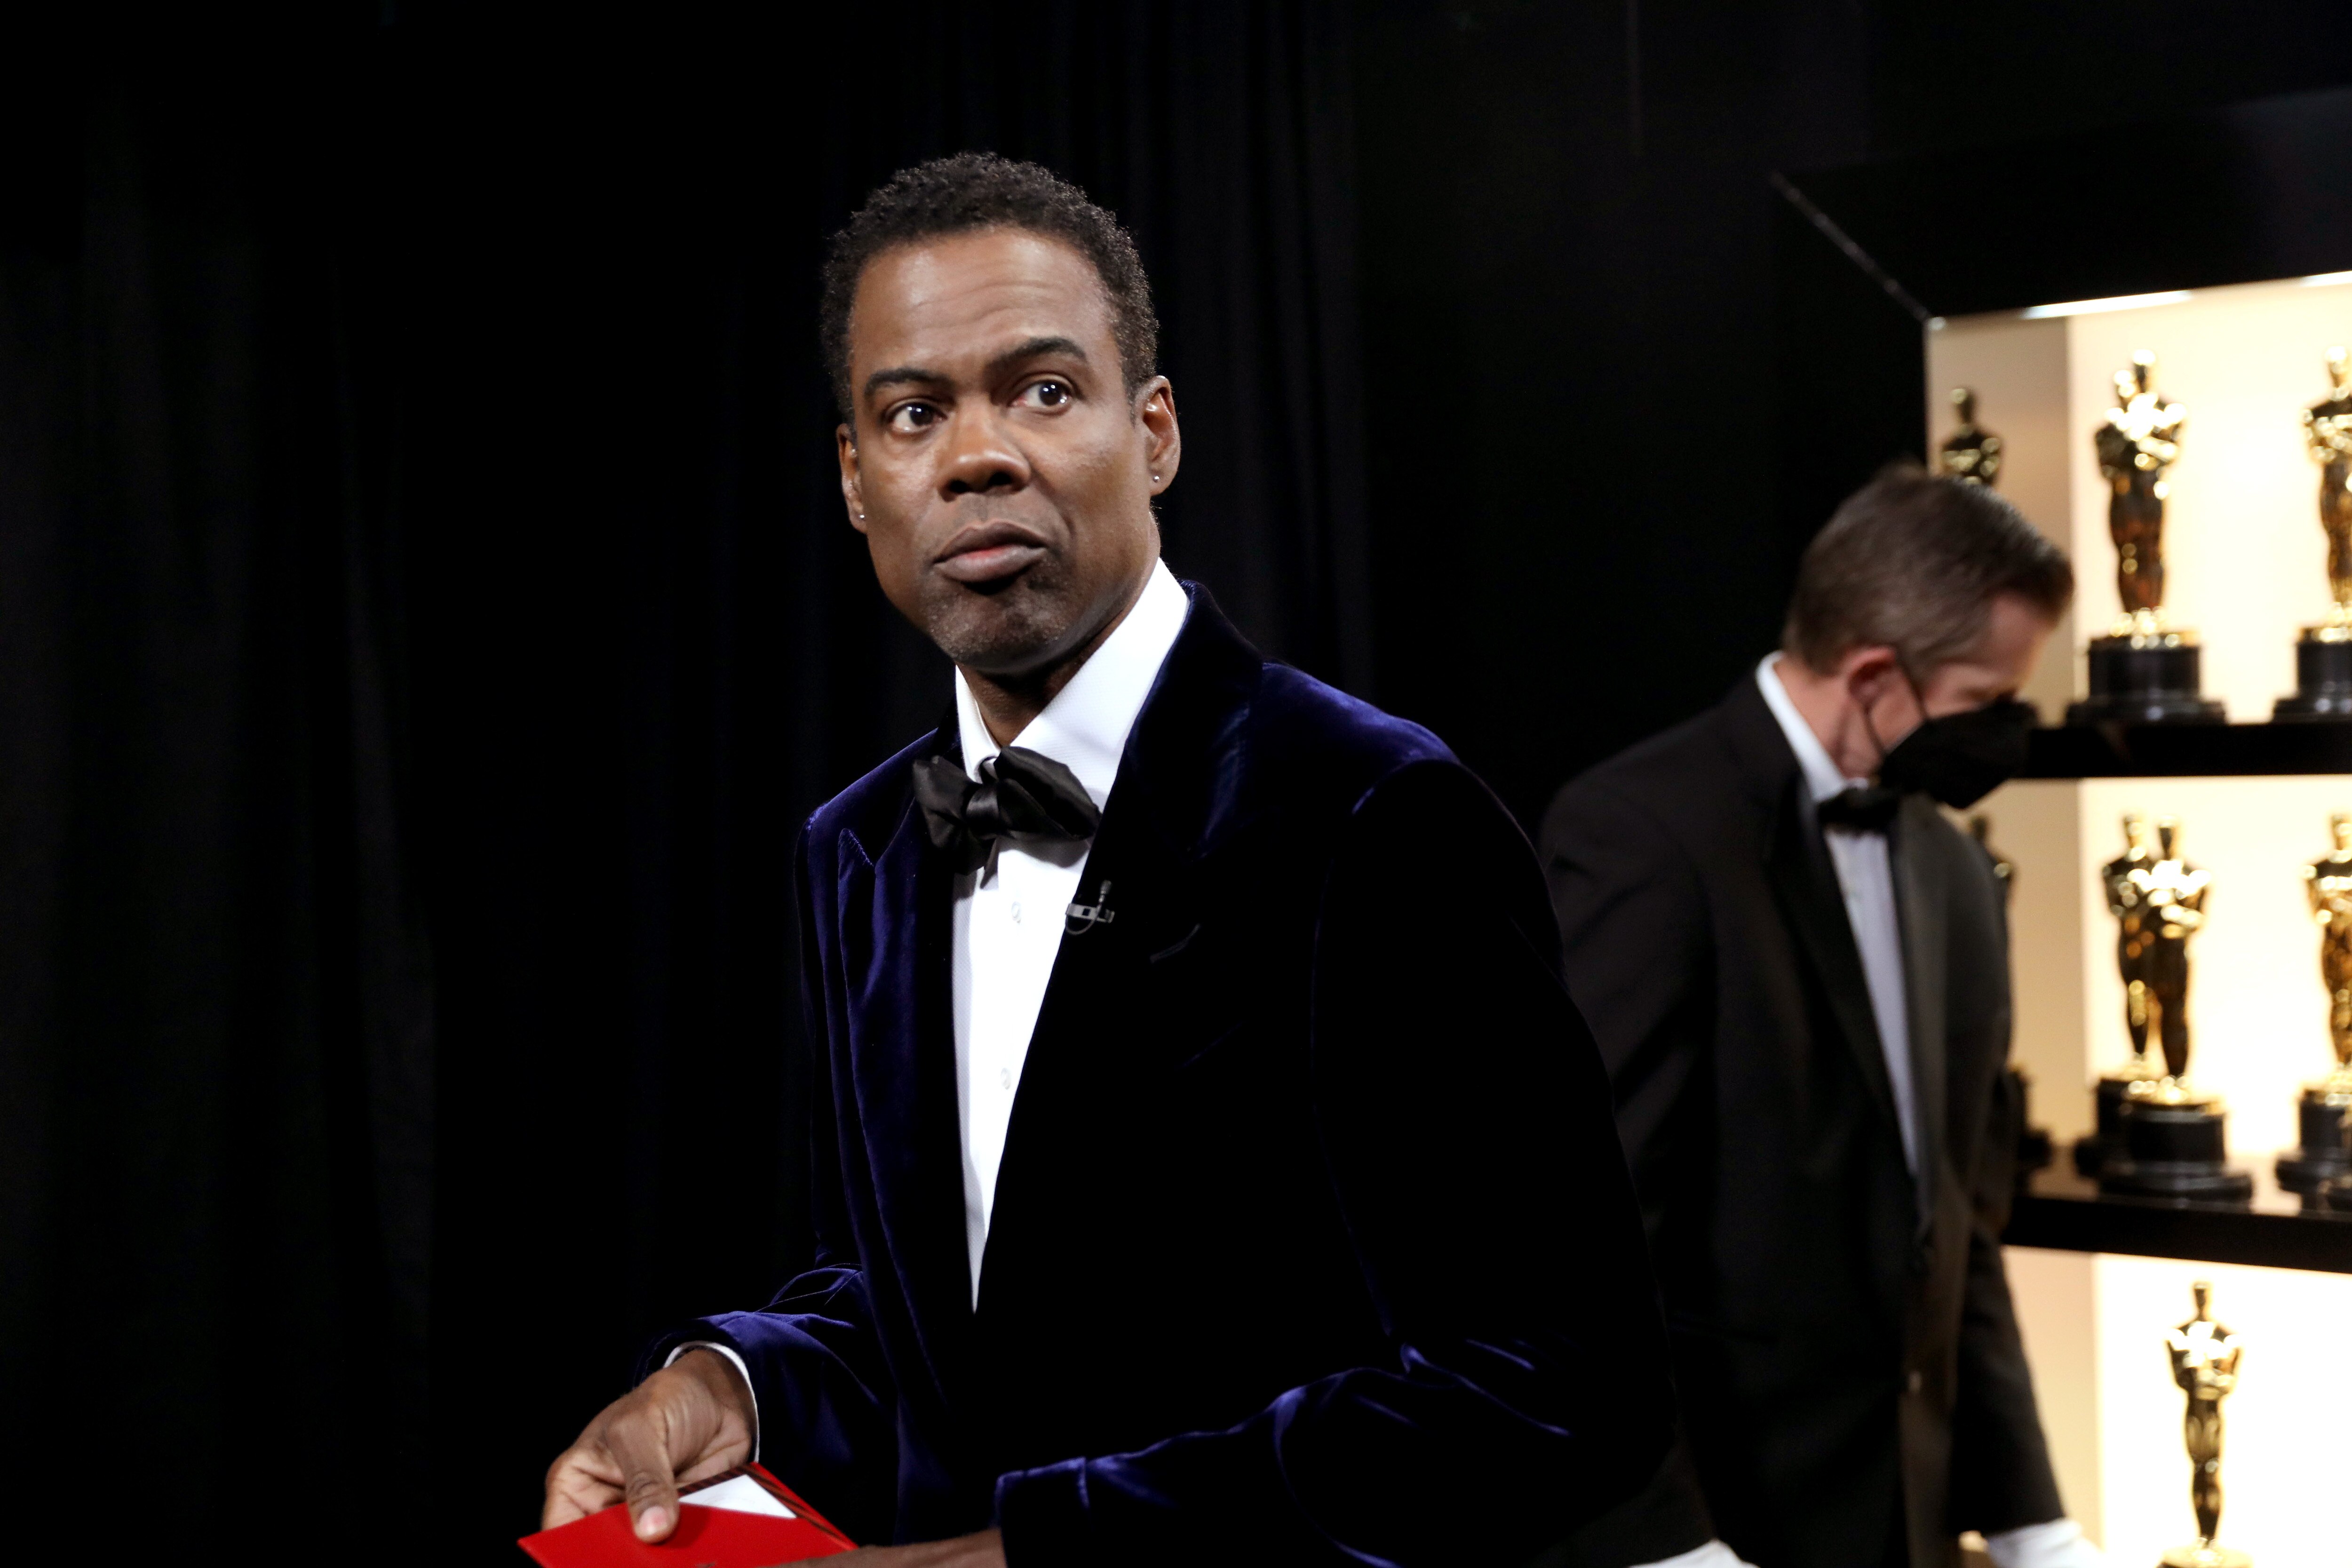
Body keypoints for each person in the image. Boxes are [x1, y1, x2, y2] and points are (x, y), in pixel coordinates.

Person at [539, 152, 1674, 1566]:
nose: (977, 455)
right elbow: (939, 1315)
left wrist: (1033, 1551)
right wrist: (730, 1383)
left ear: (1156, 435)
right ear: (853, 476)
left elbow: (1562, 1382)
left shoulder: (1373, 808)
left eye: (1045, 390)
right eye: (912, 413)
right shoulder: (861, 849)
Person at [1540, 468, 2099, 1568]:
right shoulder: (1642, 834)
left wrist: (2035, 1521)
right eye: (1988, 699)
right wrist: (1663, 1538)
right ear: (1876, 676)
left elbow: (1955, 1230)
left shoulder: (1954, 869)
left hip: (1912, 1520)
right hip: (1719, 1521)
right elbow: (1578, 1235)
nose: (2006, 735)